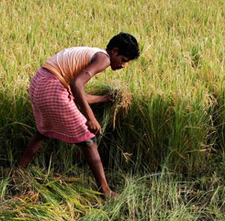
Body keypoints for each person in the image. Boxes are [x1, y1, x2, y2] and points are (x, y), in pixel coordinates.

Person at [17, 33, 140, 198]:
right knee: (89, 140)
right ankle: (105, 191)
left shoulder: (93, 53)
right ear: (115, 51)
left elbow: (76, 91)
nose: (124, 65)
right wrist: (91, 117)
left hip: (39, 83)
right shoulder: (103, 59)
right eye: (124, 60)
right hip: (53, 87)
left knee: (42, 132)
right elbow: (77, 84)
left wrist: (104, 99)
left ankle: (18, 171)